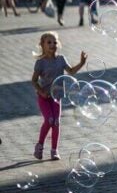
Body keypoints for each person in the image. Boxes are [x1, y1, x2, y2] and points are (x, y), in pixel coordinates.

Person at [31, 31, 87, 160]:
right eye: (49, 42)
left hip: (57, 97)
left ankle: (54, 150)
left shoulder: (61, 59)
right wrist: (41, 91)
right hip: (44, 97)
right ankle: (39, 146)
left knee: (56, 122)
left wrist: (81, 62)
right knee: (49, 120)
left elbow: (71, 71)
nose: (52, 45)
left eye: (55, 42)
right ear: (42, 45)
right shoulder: (40, 62)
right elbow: (33, 80)